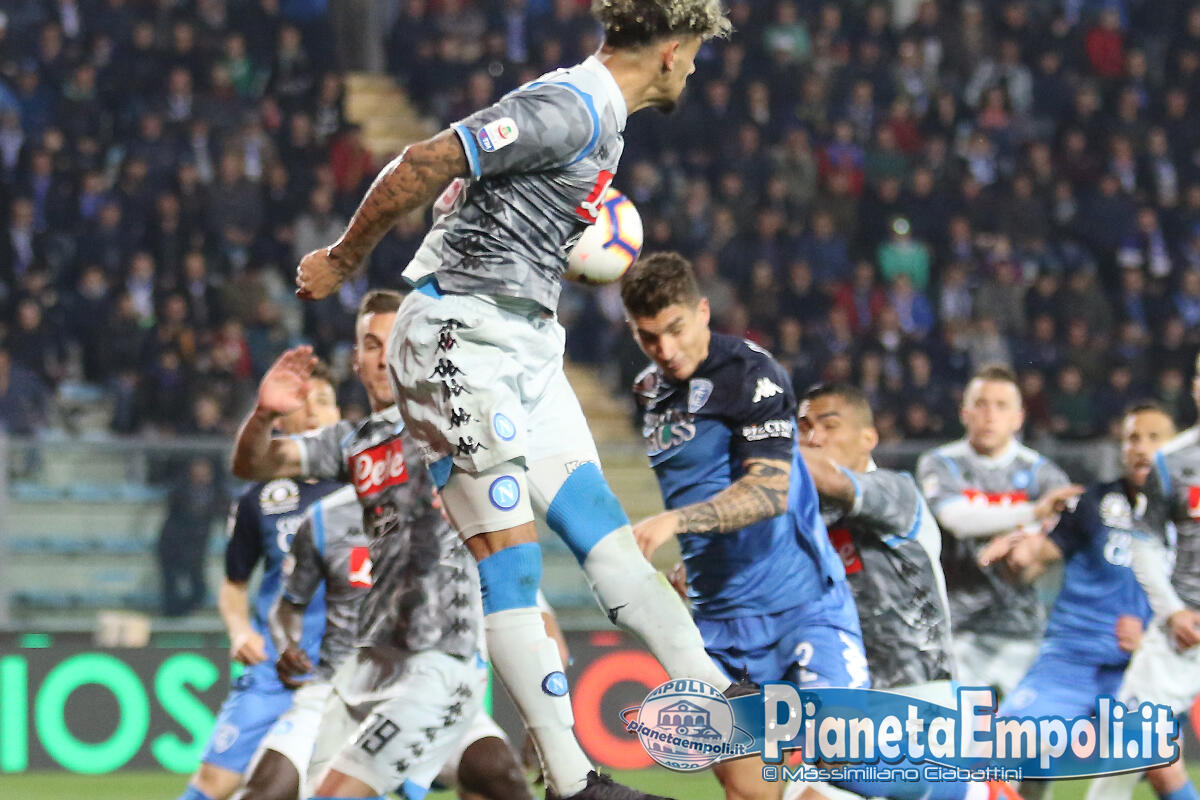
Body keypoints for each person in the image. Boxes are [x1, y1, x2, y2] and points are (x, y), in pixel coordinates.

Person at [290, 4, 735, 798]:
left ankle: (725, 707)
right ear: (671, 51)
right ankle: (573, 780)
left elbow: (474, 191)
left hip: (526, 343)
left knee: (612, 544)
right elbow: (426, 159)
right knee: (512, 559)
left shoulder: (598, 119)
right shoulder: (571, 107)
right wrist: (344, 258)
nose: (697, 69)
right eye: (696, 54)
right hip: (458, 337)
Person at [229, 290, 508, 800]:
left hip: (440, 661)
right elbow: (253, 463)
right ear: (356, 361)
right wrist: (264, 415)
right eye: (371, 345)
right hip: (366, 667)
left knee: (496, 773)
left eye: (396, 341)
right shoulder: (351, 445)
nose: (383, 357)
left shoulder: (450, 422)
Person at [620, 253, 866, 800]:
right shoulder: (648, 391)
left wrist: (675, 523)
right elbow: (696, 480)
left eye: (676, 329)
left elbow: (768, 493)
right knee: (750, 792)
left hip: (800, 608)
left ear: (703, 312)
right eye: (649, 337)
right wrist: (696, 562)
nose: (666, 349)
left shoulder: (752, 375)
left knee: (841, 766)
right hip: (719, 629)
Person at [792, 382, 1021, 800]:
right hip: (851, 690)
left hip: (919, 691)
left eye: (828, 424)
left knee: (823, 777)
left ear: (868, 437)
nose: (814, 437)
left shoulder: (895, 491)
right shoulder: (808, 517)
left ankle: (978, 793)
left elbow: (828, 478)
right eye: (803, 427)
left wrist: (765, 444)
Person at [993, 403, 1180, 800]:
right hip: (1070, 660)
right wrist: (1017, 560)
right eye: (1132, 438)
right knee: (1002, 747)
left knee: (1165, 765)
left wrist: (1152, 636)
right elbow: (1033, 565)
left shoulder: (1188, 519)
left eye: (1154, 438)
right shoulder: (1092, 503)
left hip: (1142, 668)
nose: (1141, 447)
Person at [176, 366, 342, 800]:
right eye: (303, 402)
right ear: (282, 418)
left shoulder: (367, 487)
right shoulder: (259, 500)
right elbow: (234, 585)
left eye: (325, 402)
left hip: (348, 669)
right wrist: (239, 631)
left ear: (340, 415)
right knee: (213, 784)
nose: (314, 413)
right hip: (274, 669)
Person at [916, 364, 1082, 695]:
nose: (990, 415)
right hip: (957, 629)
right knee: (957, 727)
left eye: (1001, 406)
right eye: (980, 404)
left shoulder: (1041, 472)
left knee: (1026, 728)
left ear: (1018, 418)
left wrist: (1025, 541)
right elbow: (956, 519)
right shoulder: (941, 463)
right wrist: (1033, 514)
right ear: (964, 413)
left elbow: (1070, 527)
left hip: (1022, 629)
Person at [1085, 372, 1200, 800]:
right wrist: (1172, 611)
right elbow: (1144, 543)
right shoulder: (1171, 461)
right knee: (1132, 744)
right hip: (1185, 630)